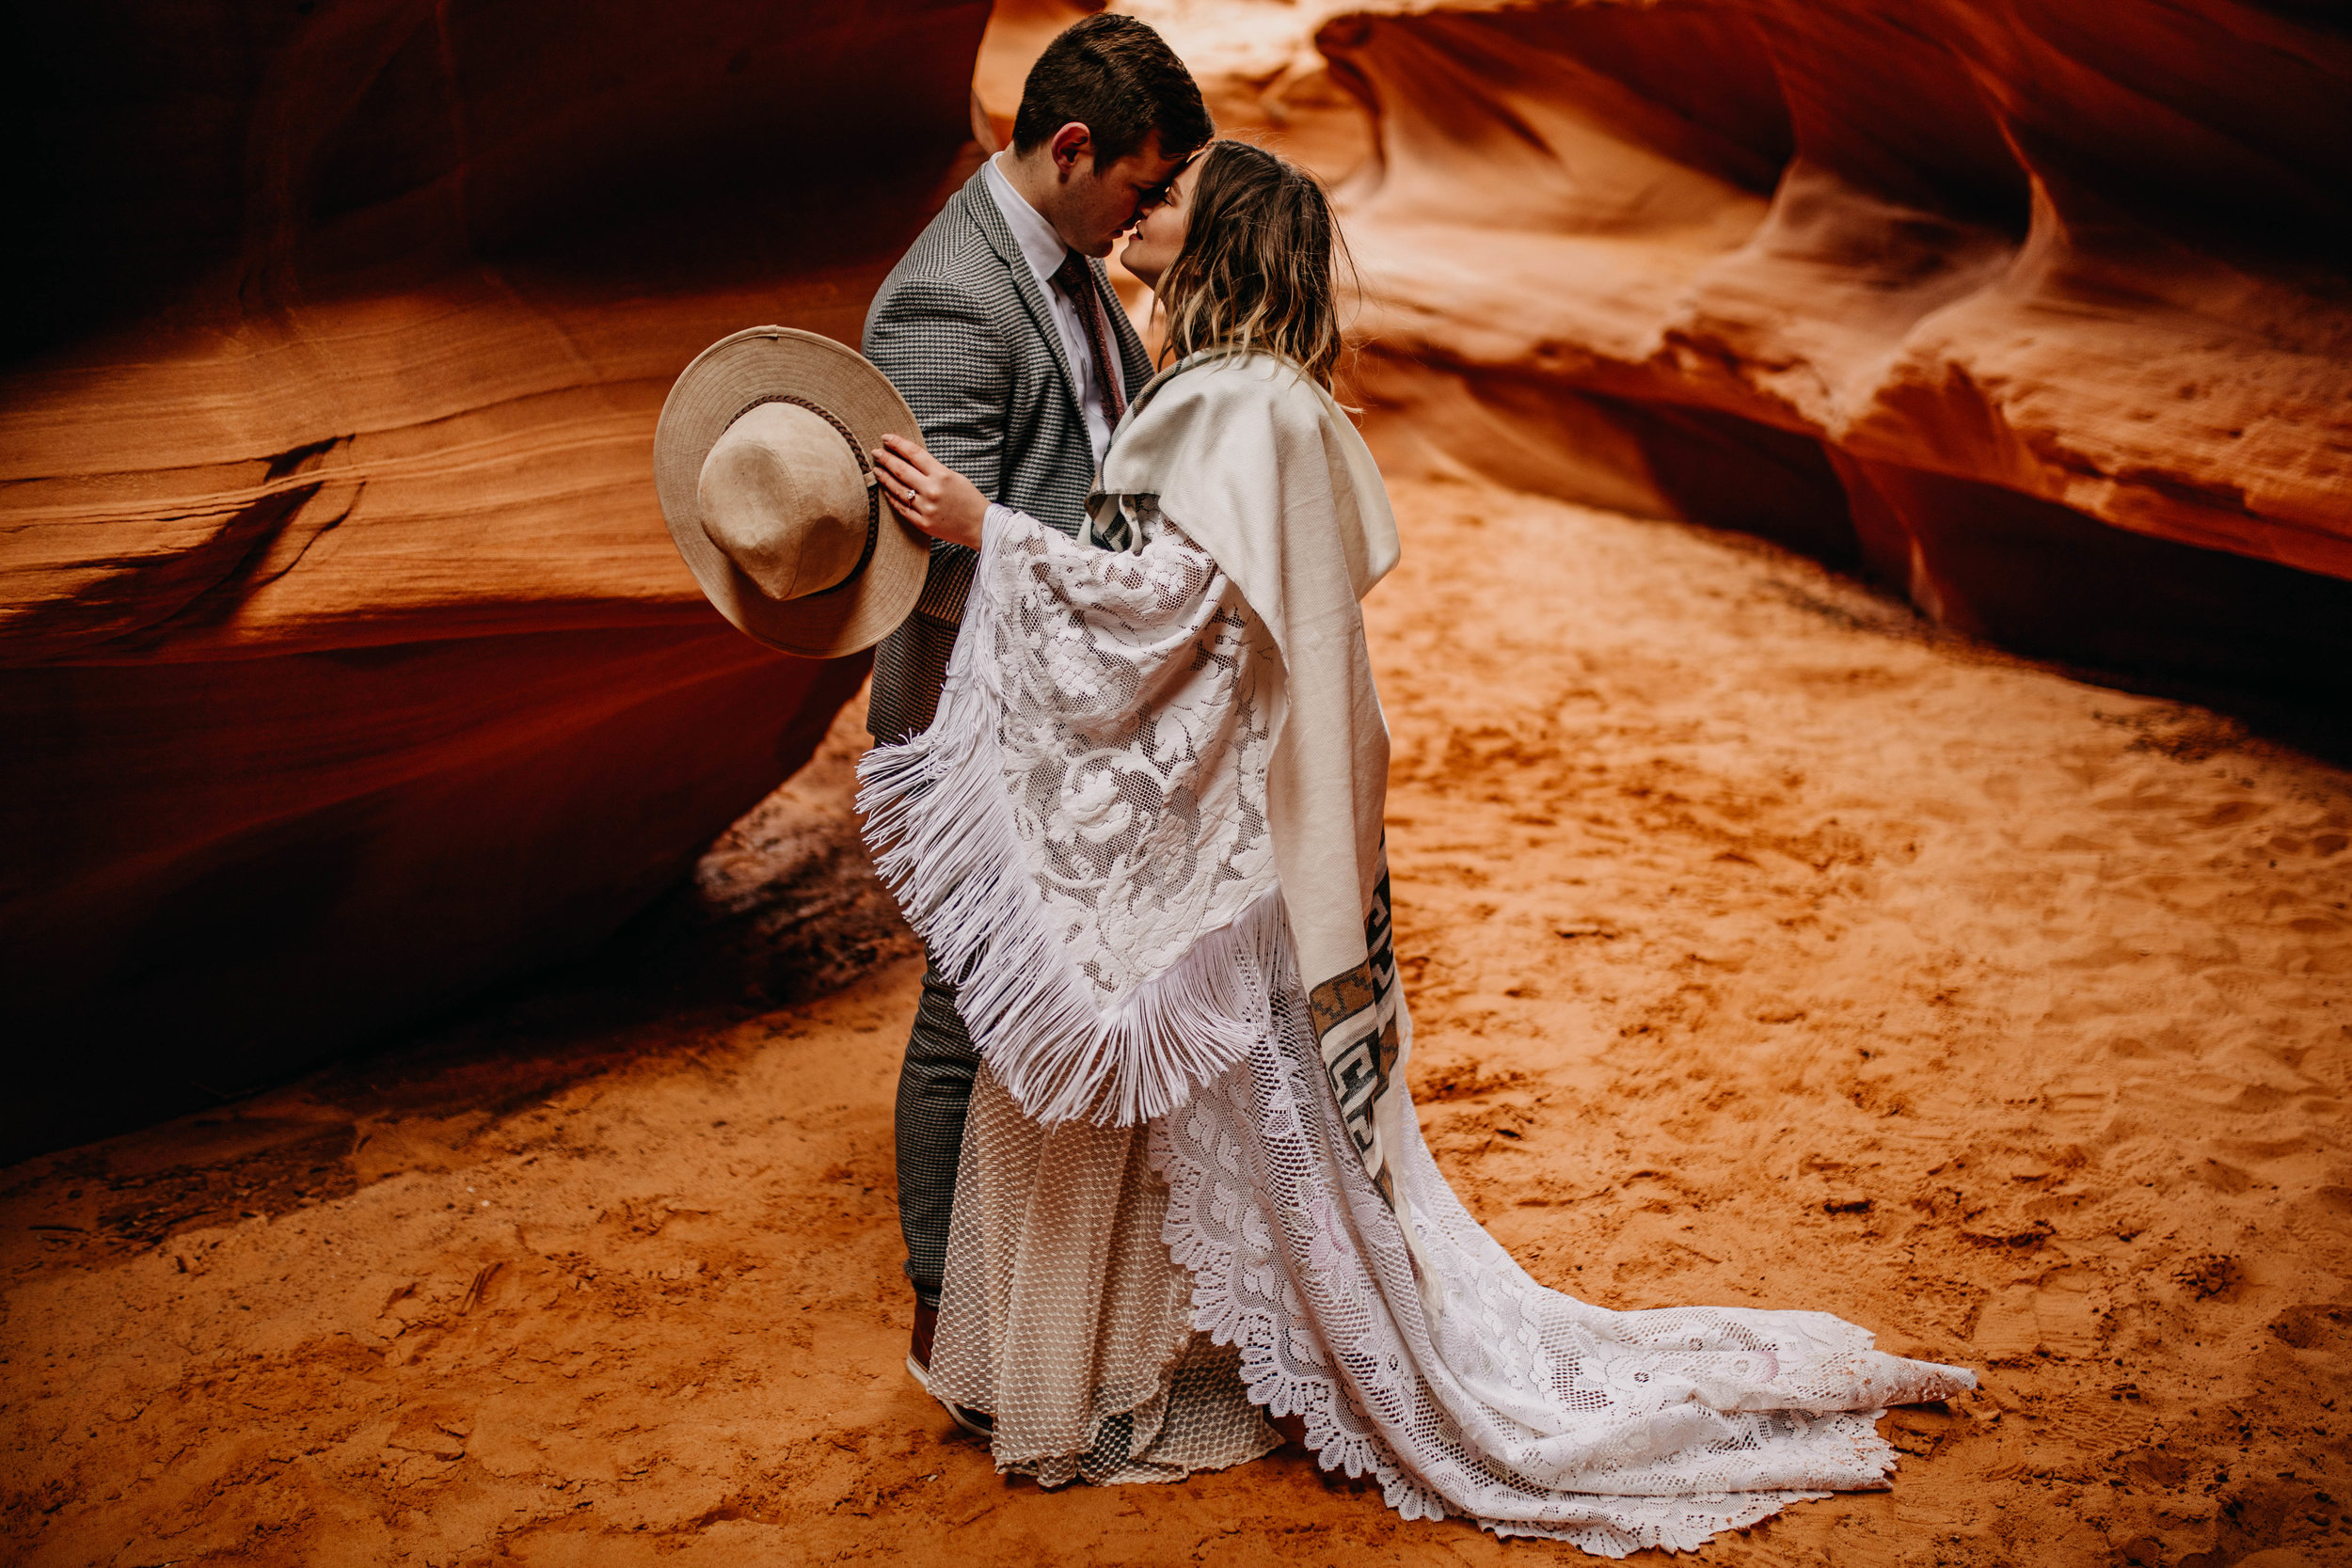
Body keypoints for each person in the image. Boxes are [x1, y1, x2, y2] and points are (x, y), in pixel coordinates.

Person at [865, 140, 1976, 1552]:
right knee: (1201, 1131)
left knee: (1218, 1121)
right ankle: (1130, 1366)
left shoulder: (1230, 408)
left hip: (1226, 857)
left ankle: (1144, 1373)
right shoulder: (1266, 401)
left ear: (1222, 249)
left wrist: (991, 539)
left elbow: (1173, 615)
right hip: (1245, 835)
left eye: (1172, 205)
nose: (1141, 214)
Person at [859, 13, 1214, 1395]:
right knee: (966, 1010)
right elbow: (937, 556)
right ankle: (947, 1322)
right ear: (1071, 149)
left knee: (1041, 997)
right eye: (1140, 180)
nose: (1148, 211)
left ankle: (1046, 1292)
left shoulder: (1061, 263)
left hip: (1068, 696)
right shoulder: (951, 294)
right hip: (977, 715)